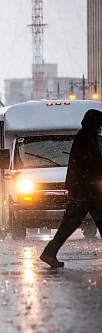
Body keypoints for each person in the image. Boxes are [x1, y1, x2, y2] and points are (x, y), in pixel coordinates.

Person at [40, 109, 102, 267]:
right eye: (100, 123)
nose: (101, 127)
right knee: (71, 224)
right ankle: (49, 253)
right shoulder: (87, 138)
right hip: (87, 191)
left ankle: (49, 253)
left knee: (69, 225)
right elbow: (91, 165)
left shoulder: (86, 137)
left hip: (84, 190)